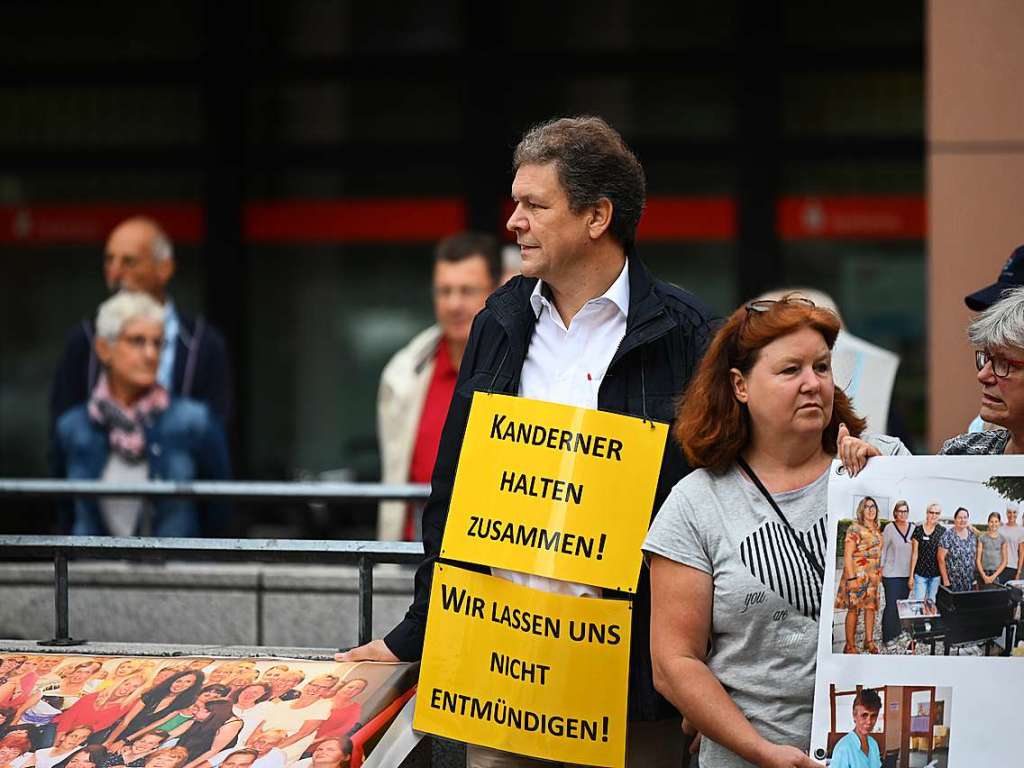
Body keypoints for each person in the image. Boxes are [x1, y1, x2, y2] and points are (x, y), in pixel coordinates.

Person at [340, 115, 719, 766]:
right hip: (506, 680)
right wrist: (418, 633)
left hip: (633, 686)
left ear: (596, 216)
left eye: (533, 205)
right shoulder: (500, 321)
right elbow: (455, 492)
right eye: (516, 202)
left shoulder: (685, 334)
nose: (513, 222)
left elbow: (715, 509)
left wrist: (698, 672)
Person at [643, 295, 907, 767]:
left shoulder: (885, 465)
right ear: (740, 386)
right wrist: (761, 751)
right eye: (791, 371)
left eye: (822, 368)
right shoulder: (696, 503)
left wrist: (891, 489)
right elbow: (673, 664)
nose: (813, 384)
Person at [52, 291, 231, 539]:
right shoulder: (72, 427)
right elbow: (64, 512)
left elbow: (219, 514)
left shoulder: (195, 422)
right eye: (137, 341)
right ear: (104, 349)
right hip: (91, 575)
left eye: (158, 343)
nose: (150, 354)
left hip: (175, 575)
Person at [50, 215, 232, 436]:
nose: (115, 273)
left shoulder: (203, 344)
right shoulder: (85, 339)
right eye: (109, 260)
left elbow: (215, 438)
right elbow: (62, 437)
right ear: (103, 348)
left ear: (164, 269)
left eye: (129, 261)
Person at [376, 231, 500, 541]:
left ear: (497, 292)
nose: (454, 304)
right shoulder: (404, 373)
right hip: (414, 550)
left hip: (492, 542)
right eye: (444, 291)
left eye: (467, 291)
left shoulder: (524, 367)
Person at [942, 286, 1024, 454]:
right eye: (987, 358)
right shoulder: (961, 453)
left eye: (1004, 363)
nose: (983, 375)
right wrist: (878, 470)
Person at [836, 497, 883, 654]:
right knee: (853, 609)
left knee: (870, 609)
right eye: (867, 506)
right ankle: (849, 646)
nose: (871, 509)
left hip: (873, 577)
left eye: (873, 506)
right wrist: (851, 579)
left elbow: (878, 553)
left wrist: (879, 572)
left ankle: (868, 641)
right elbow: (848, 555)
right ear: (861, 510)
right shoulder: (854, 528)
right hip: (856, 575)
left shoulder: (877, 529)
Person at [106, 672, 204, 748]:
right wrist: (110, 741)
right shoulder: (152, 694)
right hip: (116, 730)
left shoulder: (181, 704)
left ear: (192, 687)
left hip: (138, 737)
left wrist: (125, 741)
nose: (180, 685)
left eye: (187, 682)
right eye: (178, 681)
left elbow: (155, 725)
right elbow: (126, 720)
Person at [879, 500, 914, 645]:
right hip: (891, 574)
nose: (903, 514)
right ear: (895, 513)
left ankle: (898, 632)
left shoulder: (913, 528)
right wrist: (880, 569)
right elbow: (883, 549)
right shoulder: (889, 528)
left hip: (907, 575)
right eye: (900, 511)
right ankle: (887, 636)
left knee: (902, 606)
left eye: (905, 511)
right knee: (891, 606)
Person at [828, 690, 882, 768]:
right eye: (864, 715)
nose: (869, 721)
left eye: (873, 716)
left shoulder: (873, 745)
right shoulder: (843, 748)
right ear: (854, 715)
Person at [908, 504, 945, 602]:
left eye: (937, 513)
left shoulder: (942, 531)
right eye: (931, 512)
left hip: (935, 575)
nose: (934, 515)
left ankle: (931, 618)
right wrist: (911, 575)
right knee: (919, 603)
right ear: (927, 513)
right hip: (920, 574)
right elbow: (914, 554)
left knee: (932, 604)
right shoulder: (918, 530)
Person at [938, 508, 978, 592]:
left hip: (969, 581)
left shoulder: (972, 535)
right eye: (960, 517)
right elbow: (940, 559)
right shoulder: (948, 535)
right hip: (953, 581)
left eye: (965, 517)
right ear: (955, 519)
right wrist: (945, 580)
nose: (962, 520)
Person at [976, 512, 1009, 586]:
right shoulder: (982, 538)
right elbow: (978, 559)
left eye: (996, 521)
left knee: (995, 597)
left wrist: (994, 576)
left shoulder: (1003, 539)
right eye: (991, 522)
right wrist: (983, 575)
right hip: (983, 573)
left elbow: (1005, 561)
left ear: (999, 523)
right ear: (988, 523)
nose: (994, 524)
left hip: (997, 573)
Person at [101, 733, 169, 768]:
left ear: (155, 747)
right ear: (135, 741)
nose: (143, 745)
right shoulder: (117, 750)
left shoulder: (142, 763)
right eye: (142, 741)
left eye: (150, 743)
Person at [999, 506, 1024, 583]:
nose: (1012, 515)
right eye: (1009, 512)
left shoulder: (1021, 530)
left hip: (1013, 567)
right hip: (1000, 567)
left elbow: (1021, 553)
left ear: (1017, 514)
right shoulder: (1000, 529)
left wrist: (1019, 571)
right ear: (1006, 513)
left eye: (1014, 512)